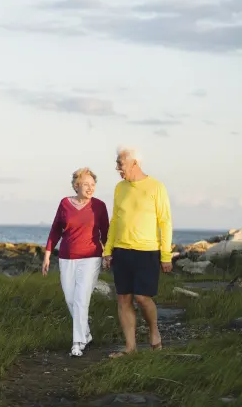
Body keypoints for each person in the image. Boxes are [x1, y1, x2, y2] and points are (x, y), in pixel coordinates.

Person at [103, 147, 173, 357]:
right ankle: (130, 348)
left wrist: (166, 255)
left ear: (134, 163)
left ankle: (154, 332)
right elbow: (115, 220)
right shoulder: (119, 188)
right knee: (123, 298)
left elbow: (165, 221)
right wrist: (108, 250)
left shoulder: (156, 187)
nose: (117, 168)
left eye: (120, 164)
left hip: (147, 251)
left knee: (143, 298)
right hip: (122, 250)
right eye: (117, 164)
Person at [42, 167, 109, 357]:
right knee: (70, 299)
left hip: (91, 257)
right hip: (66, 257)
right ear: (76, 185)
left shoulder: (99, 206)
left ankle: (77, 343)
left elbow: (106, 232)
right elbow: (56, 229)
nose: (90, 188)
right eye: (86, 184)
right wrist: (48, 254)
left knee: (81, 300)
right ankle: (85, 333)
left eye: (93, 185)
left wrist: (108, 254)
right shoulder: (65, 203)